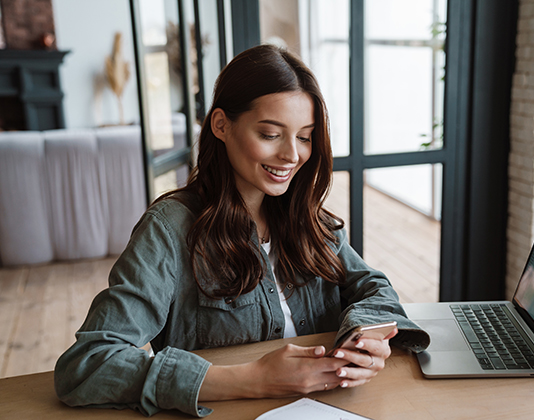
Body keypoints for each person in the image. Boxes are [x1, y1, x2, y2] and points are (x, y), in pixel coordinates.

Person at [54, 44, 430, 417]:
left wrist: (363, 340)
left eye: (304, 136)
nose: (292, 155)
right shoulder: (169, 229)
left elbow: (375, 289)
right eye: (270, 134)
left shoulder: (308, 220)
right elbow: (87, 365)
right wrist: (254, 379)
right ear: (221, 125)